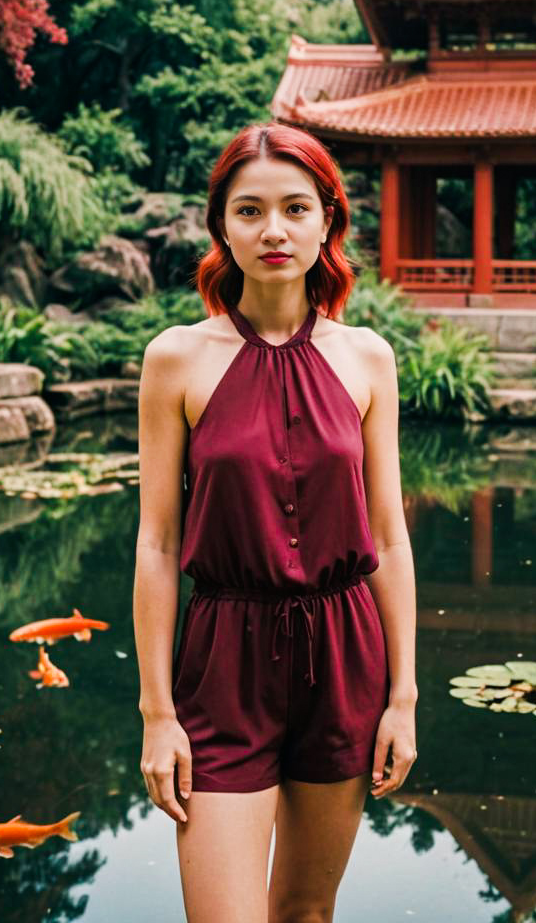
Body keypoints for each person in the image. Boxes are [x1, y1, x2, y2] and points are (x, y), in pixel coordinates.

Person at [133, 121, 418, 923]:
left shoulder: (368, 359)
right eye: (250, 210)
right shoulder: (177, 360)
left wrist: (405, 697)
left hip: (344, 655)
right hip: (223, 660)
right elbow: (156, 546)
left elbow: (389, 540)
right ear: (221, 223)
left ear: (328, 218)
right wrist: (158, 713)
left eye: (295, 208)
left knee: (304, 911)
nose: (274, 231)